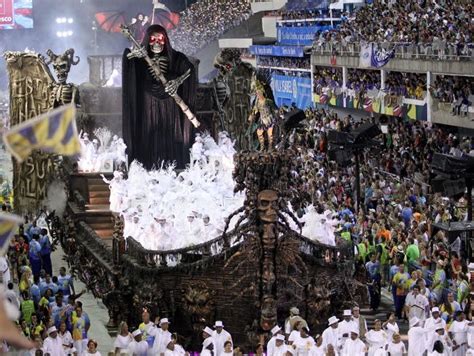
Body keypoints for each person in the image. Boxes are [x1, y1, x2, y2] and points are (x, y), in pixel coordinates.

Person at [122, 24, 198, 169]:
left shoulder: (175, 57)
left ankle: (173, 162)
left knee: (170, 131)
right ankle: (147, 163)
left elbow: (189, 70)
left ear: (166, 40)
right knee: (149, 131)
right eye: (153, 39)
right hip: (147, 101)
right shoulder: (140, 58)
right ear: (147, 40)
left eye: (160, 39)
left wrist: (177, 81)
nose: (157, 43)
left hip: (170, 101)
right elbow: (129, 63)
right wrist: (132, 55)